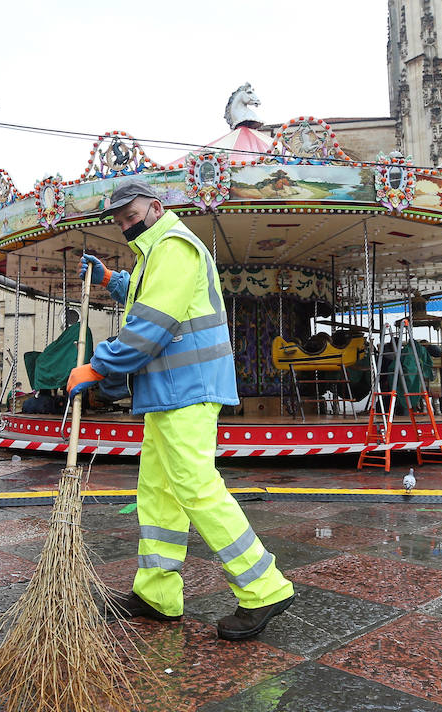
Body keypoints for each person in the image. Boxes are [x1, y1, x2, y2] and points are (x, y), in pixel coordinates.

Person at [69, 181, 295, 641]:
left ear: (155, 208)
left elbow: (152, 323)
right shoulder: (157, 252)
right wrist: (114, 281)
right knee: (158, 491)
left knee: (195, 486)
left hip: (186, 388)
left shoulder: (173, 246)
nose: (125, 226)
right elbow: (151, 296)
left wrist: (98, 366)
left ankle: (264, 586)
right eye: (119, 222)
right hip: (169, 390)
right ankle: (157, 594)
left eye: (131, 217)